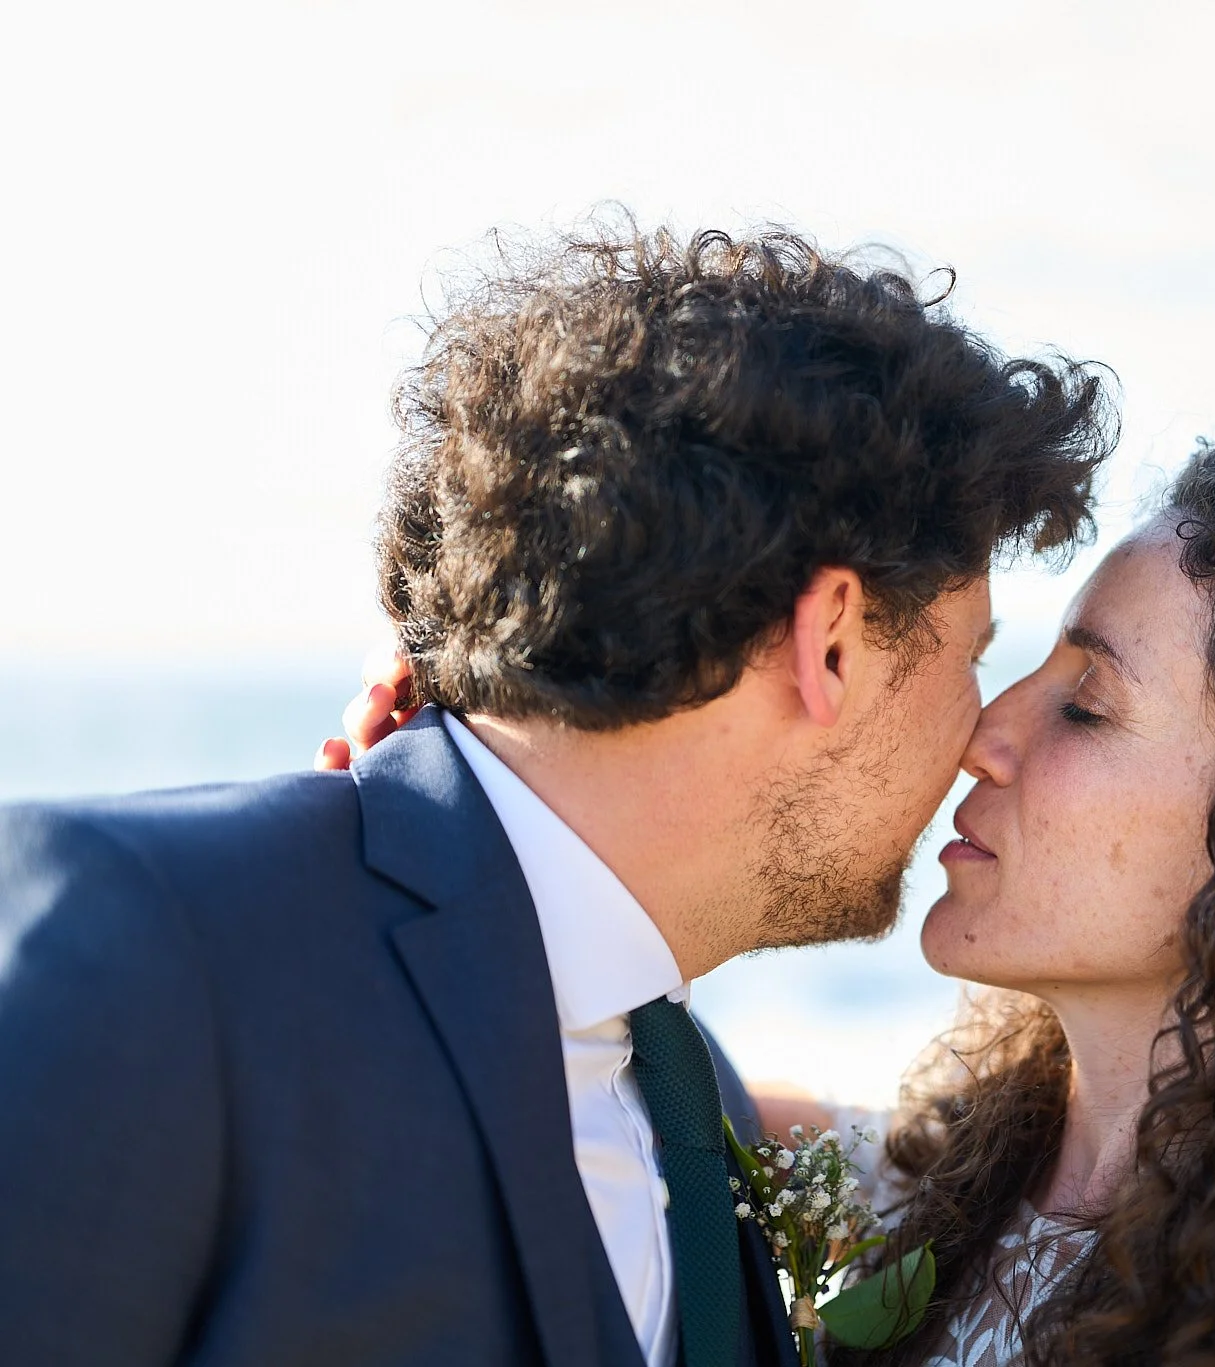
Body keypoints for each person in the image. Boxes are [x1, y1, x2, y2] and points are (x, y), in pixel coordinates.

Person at [339, 433, 1215, 1367]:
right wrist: (488, 810)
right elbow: (612, 1075)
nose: (986, 732)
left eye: (1086, 703)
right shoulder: (933, 1192)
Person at [0, 225, 1111, 1367]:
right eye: (972, 653)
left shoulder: (694, 1101)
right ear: (827, 642)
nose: (982, 732)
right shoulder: (149, 952)